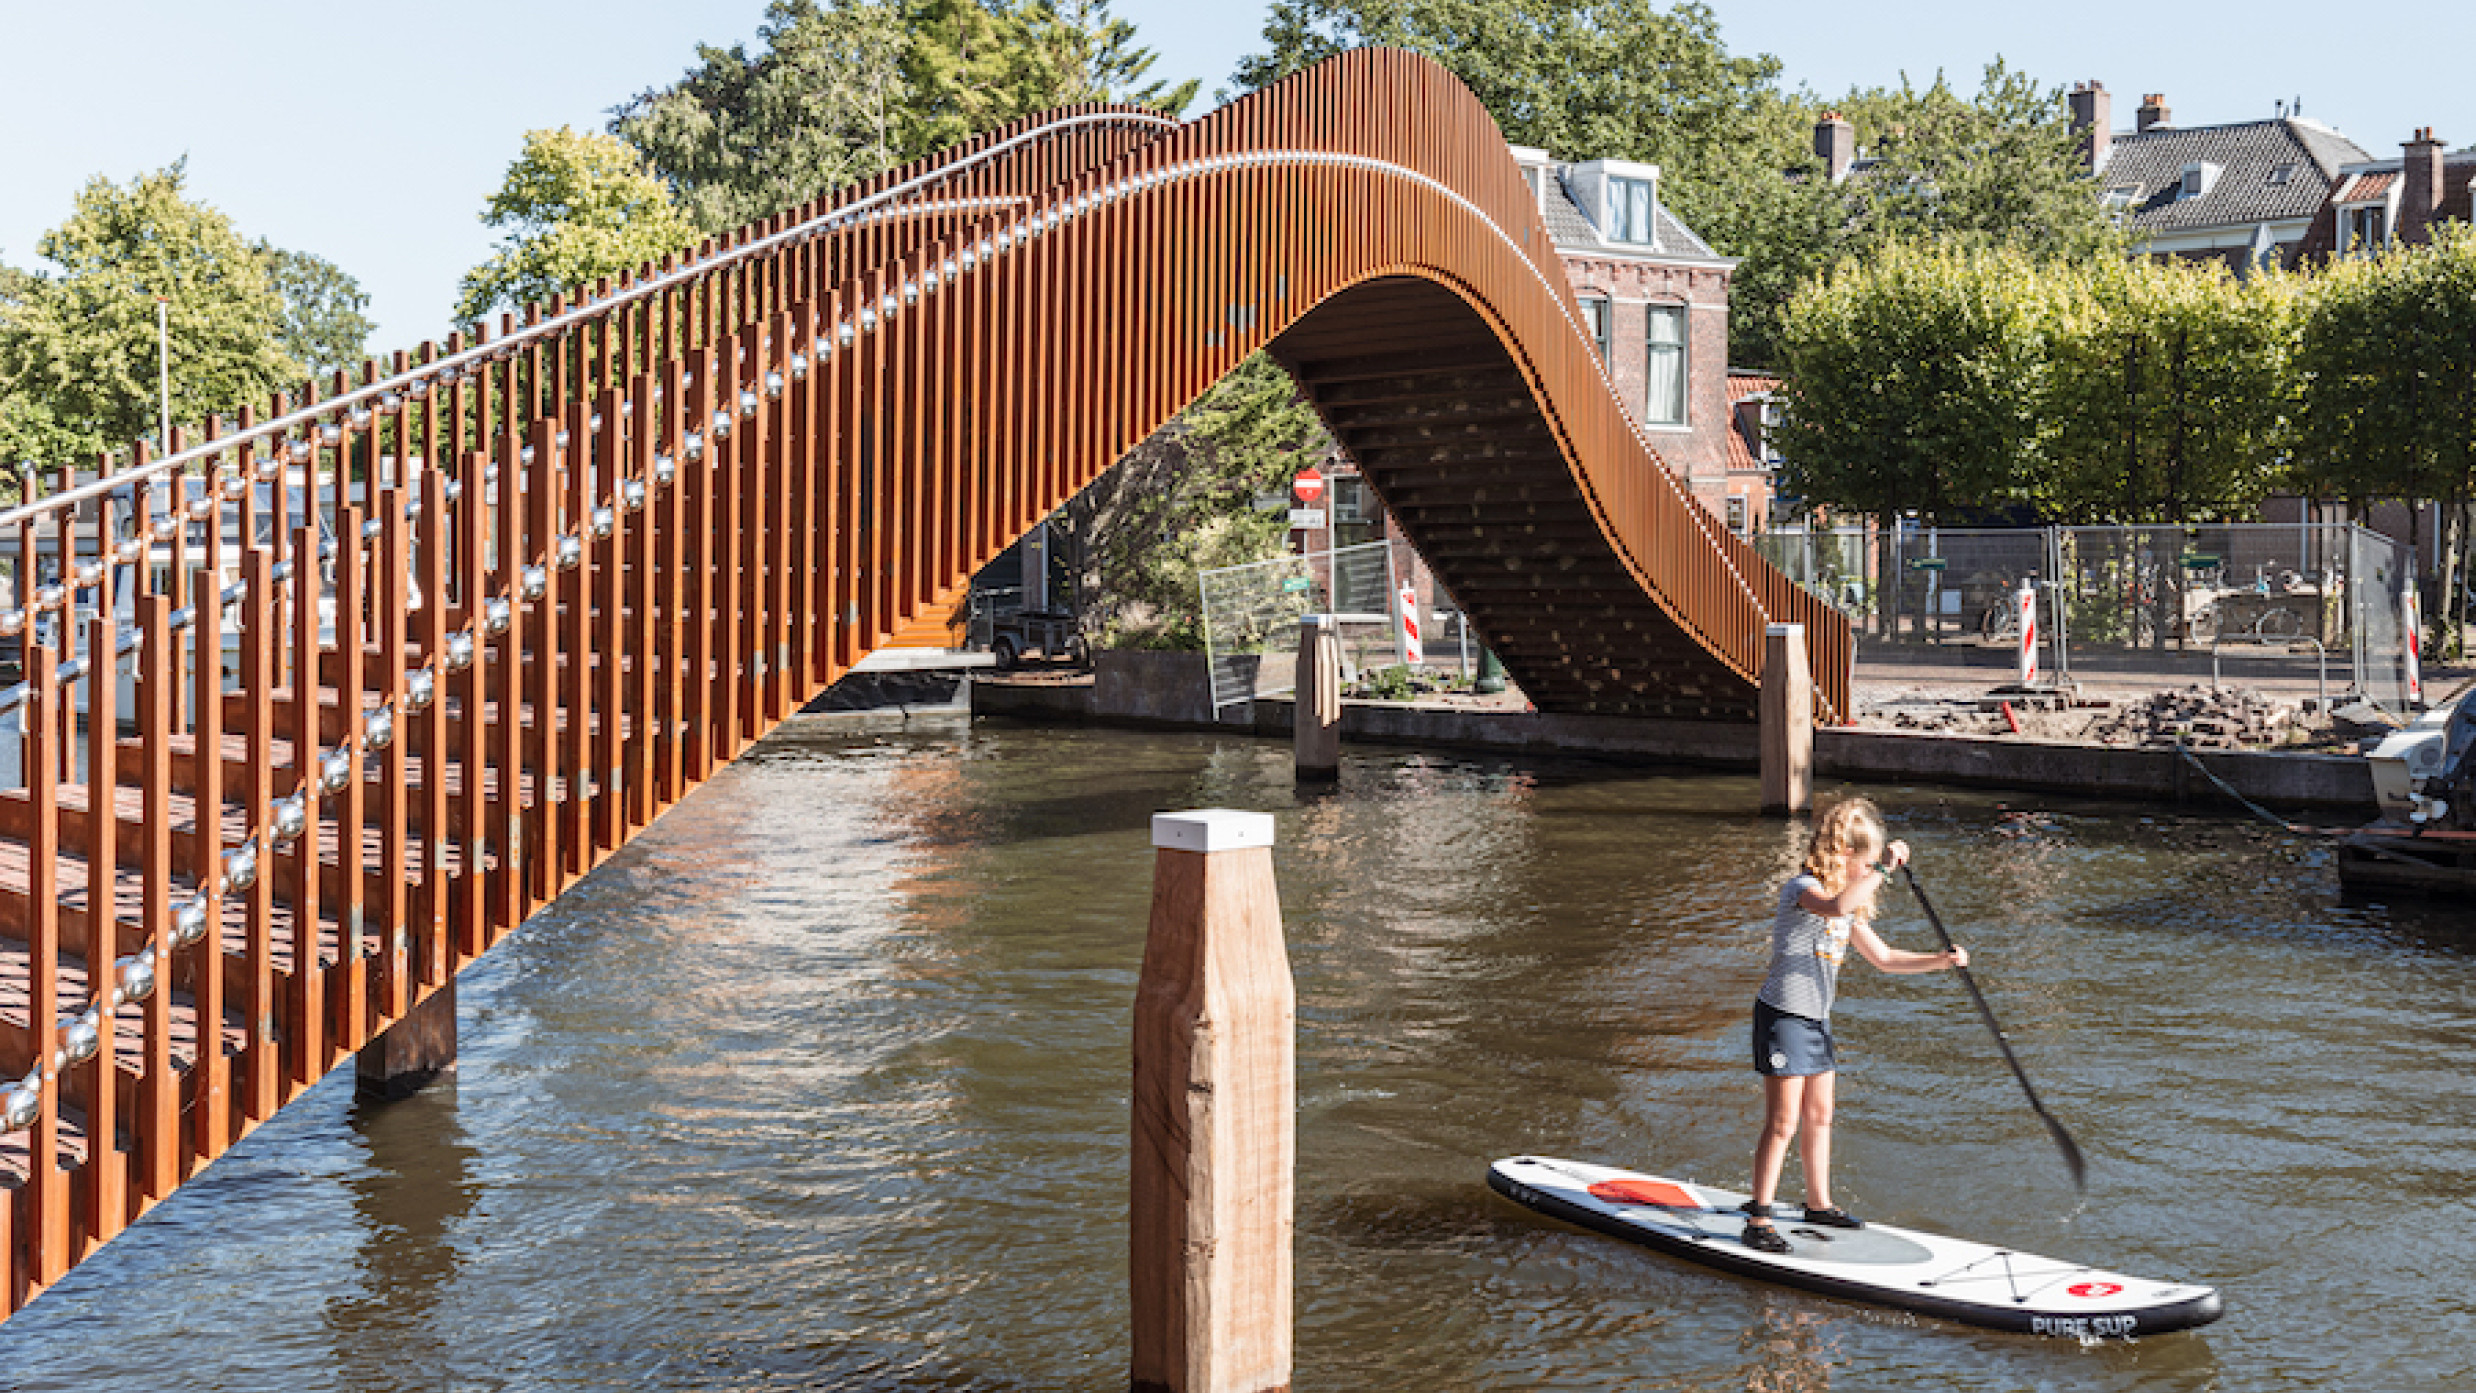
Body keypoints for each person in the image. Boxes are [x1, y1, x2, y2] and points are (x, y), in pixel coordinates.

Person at [1742, 796, 1967, 1254]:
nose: (1870, 875)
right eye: (1865, 865)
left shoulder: (1848, 913)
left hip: (1816, 1021)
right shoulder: (1804, 891)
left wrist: (1939, 962)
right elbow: (1837, 906)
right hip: (1783, 1018)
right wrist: (1885, 869)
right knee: (1783, 1121)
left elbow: (1884, 959)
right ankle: (1759, 1216)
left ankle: (1817, 1203)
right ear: (1844, 856)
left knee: (1820, 1116)